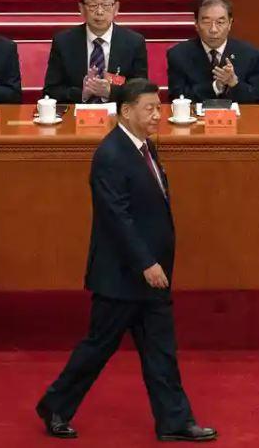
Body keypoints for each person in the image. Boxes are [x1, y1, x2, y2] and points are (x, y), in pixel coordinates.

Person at [36, 78, 218, 444]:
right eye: (149, 109)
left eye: (158, 108)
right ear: (126, 111)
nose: (157, 115)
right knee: (98, 347)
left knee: (161, 351)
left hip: (152, 275)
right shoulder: (110, 155)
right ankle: (55, 405)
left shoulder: (144, 147)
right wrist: (146, 263)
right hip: (121, 277)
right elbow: (116, 218)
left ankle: (174, 421)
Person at [42, 0, 149, 104]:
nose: (99, 12)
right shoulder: (63, 42)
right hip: (77, 112)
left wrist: (110, 92)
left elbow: (141, 91)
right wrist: (82, 93)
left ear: (116, 8)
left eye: (106, 5)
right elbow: (50, 91)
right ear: (81, 9)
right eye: (93, 5)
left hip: (118, 112)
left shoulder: (134, 42)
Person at [166, 0, 259, 103]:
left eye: (220, 22)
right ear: (196, 24)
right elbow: (177, 98)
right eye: (206, 22)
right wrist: (215, 87)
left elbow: (258, 101)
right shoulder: (178, 54)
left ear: (230, 24)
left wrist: (234, 83)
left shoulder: (249, 54)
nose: (213, 30)